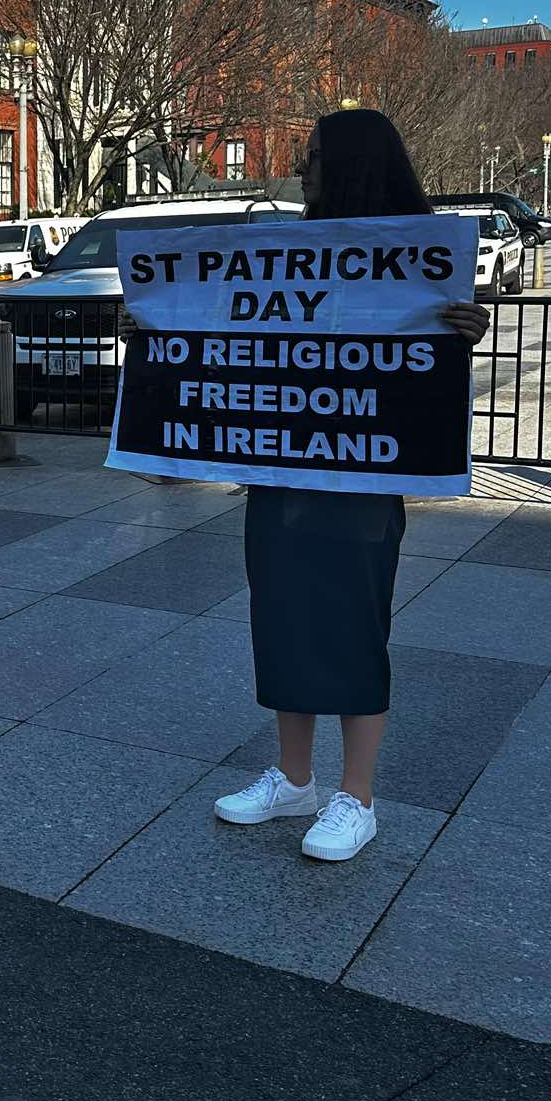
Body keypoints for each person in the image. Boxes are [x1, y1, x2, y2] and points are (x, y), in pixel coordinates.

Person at [213, 109, 490, 861]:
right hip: (284, 473)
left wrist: (465, 329)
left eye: (314, 157)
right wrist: (165, 333)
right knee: (282, 617)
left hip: (362, 479)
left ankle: (357, 797)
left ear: (354, 165)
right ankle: (293, 779)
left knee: (353, 624)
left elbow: (424, 363)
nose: (303, 169)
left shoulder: (421, 256)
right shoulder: (288, 250)